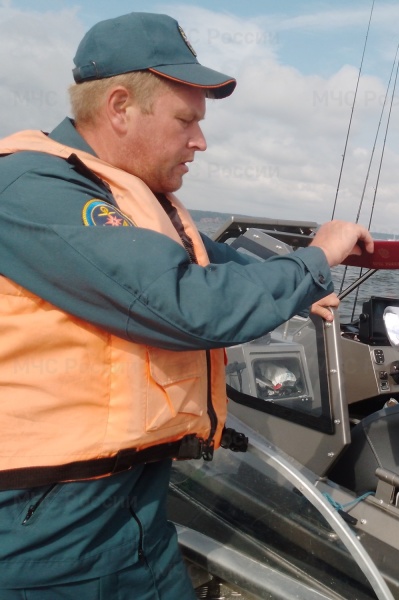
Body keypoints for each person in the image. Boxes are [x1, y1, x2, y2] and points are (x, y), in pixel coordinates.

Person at [0, 12, 372, 598]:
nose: (200, 140)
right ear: (120, 107)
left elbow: (200, 259)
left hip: (133, 511)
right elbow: (187, 305)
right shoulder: (34, 190)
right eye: (186, 121)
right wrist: (316, 256)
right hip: (46, 528)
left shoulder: (119, 192)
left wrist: (305, 288)